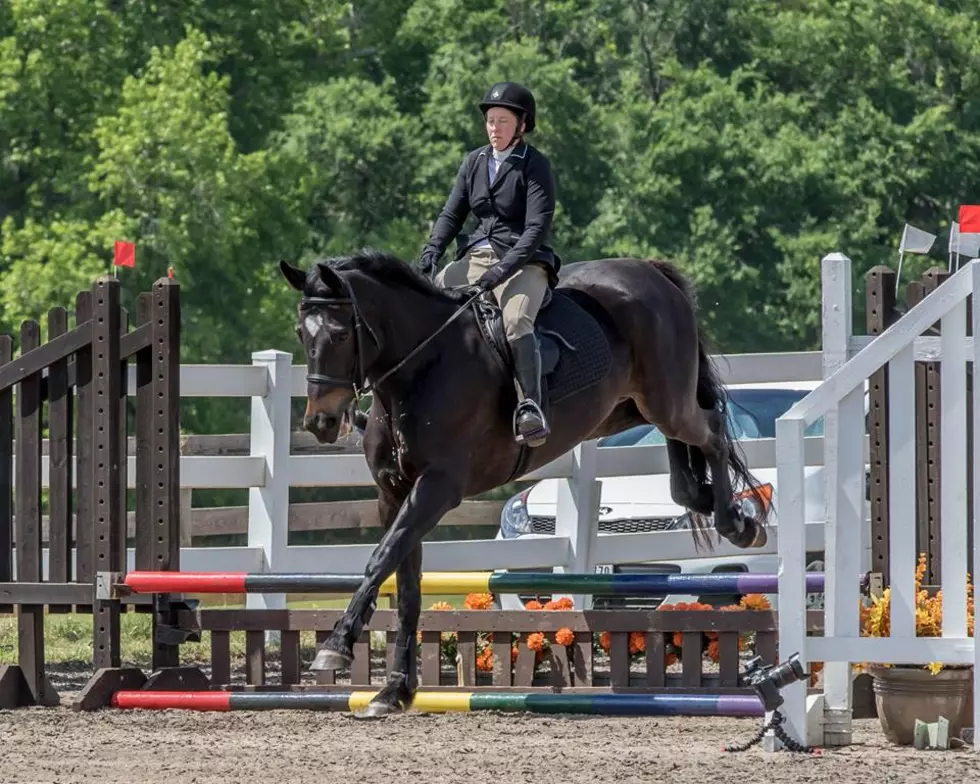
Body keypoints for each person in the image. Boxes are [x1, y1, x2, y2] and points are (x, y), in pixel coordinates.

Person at [418, 81, 559, 448]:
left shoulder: (535, 166)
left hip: (524, 261)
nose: (494, 128)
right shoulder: (474, 162)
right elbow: (452, 213)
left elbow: (535, 230)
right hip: (477, 256)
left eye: (502, 121)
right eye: (491, 121)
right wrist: (433, 249)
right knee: (422, 305)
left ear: (521, 126)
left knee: (515, 320)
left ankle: (531, 405)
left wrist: (503, 270)